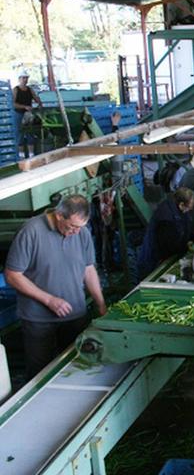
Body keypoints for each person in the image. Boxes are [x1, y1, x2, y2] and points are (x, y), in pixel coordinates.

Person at [5, 195, 107, 379]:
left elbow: (88, 269)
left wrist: (100, 304)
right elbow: (13, 275)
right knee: (41, 373)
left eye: (81, 227)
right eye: (73, 227)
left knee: (79, 367)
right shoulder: (31, 231)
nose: (76, 232)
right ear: (59, 215)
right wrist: (49, 300)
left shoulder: (81, 233)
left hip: (75, 315)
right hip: (39, 320)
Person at [137, 187, 194, 280]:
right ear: (181, 204)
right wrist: (187, 246)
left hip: (167, 254)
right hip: (155, 261)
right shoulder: (165, 218)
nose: (188, 210)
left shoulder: (179, 209)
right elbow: (169, 246)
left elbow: (187, 226)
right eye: (188, 208)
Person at [12, 70, 43, 158]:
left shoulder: (30, 89)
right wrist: (24, 107)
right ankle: (21, 156)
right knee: (20, 134)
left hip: (28, 114)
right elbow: (13, 104)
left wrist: (39, 103)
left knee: (30, 133)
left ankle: (31, 154)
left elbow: (36, 98)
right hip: (18, 114)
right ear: (19, 79)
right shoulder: (15, 89)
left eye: (26, 78)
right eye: (23, 78)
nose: (25, 80)